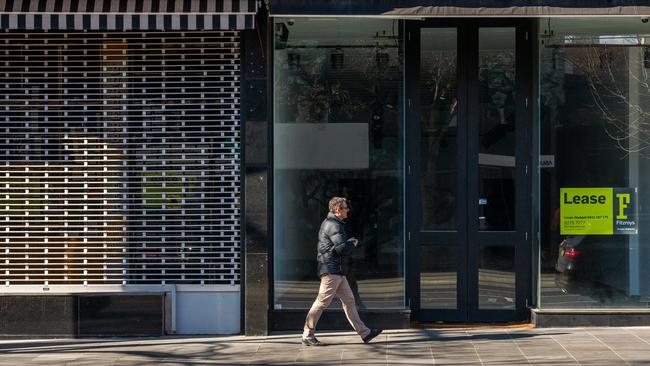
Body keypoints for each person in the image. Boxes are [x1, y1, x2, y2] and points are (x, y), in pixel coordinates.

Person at [302, 197, 382, 346]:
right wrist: (352, 243)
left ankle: (365, 333)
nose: (348, 210)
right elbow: (342, 249)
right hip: (331, 271)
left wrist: (347, 243)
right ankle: (307, 334)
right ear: (338, 210)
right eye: (345, 208)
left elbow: (338, 245)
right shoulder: (334, 225)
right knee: (321, 303)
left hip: (337, 271)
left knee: (350, 302)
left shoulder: (333, 223)